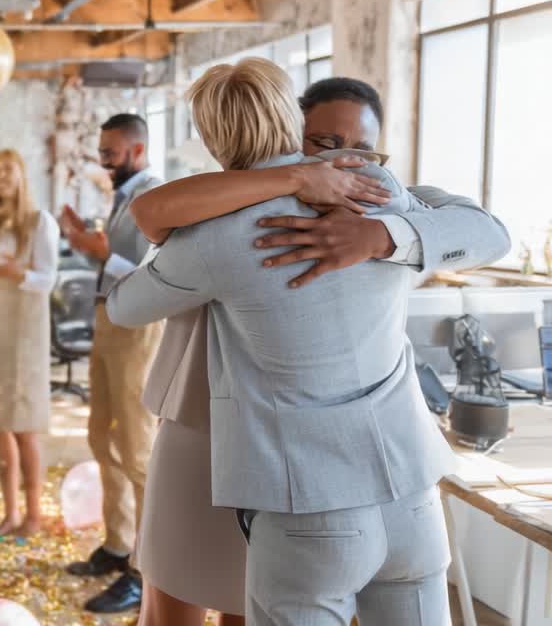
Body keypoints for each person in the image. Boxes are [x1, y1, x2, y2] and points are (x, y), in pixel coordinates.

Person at [106, 58, 488, 625]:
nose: (348, 155)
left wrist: (378, 238)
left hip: (295, 484)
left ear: (210, 134)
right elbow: (151, 210)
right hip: (397, 485)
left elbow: (125, 304)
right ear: (294, 119)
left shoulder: (217, 233)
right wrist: (347, 207)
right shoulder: (379, 192)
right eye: (330, 140)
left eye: (362, 146)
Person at [58, 113, 162, 614]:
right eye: (100, 150)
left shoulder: (154, 198)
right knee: (102, 437)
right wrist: (86, 243)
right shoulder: (122, 198)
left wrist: (102, 255)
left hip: (138, 331)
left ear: (137, 151)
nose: (102, 160)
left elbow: (157, 272)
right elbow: (115, 258)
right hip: (107, 322)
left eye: (111, 152)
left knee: (138, 449)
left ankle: (145, 570)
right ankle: (118, 544)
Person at [0, 149, 58, 536]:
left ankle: (34, 515)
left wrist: (16, 271)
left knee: (24, 428)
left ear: (22, 176)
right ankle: (9, 513)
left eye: (8, 169)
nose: (0, 177)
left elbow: (48, 280)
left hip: (26, 337)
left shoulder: (40, 223)